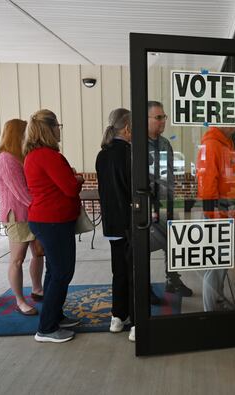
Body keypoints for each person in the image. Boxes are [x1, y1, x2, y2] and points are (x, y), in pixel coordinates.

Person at [24, 109, 84, 343]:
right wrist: (76, 179)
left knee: (54, 271)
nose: (60, 130)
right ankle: (46, 327)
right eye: (58, 125)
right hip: (53, 221)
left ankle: (55, 316)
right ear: (50, 129)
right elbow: (69, 188)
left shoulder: (33, 154)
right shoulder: (48, 155)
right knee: (62, 273)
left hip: (46, 219)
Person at [0, 119, 44, 315]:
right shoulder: (6, 159)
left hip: (32, 212)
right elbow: (21, 192)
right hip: (18, 215)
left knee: (38, 253)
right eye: (26, 132)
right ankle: (19, 300)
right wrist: (43, 206)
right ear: (17, 134)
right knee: (17, 259)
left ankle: (37, 289)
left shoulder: (22, 156)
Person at [95, 108, 136, 341]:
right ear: (128, 128)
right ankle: (137, 323)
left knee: (118, 270)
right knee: (133, 270)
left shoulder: (102, 154)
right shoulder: (129, 153)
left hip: (112, 223)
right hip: (130, 221)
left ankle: (117, 317)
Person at [196, 125, 235, 311]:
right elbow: (207, 188)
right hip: (221, 218)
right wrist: (218, 217)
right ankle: (211, 314)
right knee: (215, 268)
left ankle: (217, 303)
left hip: (227, 216)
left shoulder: (225, 143)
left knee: (220, 266)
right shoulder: (212, 145)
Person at [147, 101, 192, 297]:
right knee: (145, 244)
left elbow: (170, 172)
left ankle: (172, 279)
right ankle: (143, 284)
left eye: (164, 117)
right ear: (146, 119)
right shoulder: (137, 144)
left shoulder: (165, 143)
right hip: (147, 204)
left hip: (167, 202)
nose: (163, 121)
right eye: (158, 117)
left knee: (174, 241)